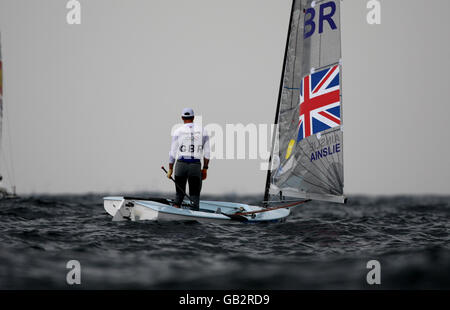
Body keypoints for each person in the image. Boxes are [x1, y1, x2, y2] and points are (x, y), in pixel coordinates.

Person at [167, 108, 210, 210]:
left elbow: (172, 153)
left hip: (180, 165)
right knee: (194, 196)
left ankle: (175, 212)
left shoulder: (178, 131)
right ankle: (194, 215)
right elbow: (207, 153)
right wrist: (205, 169)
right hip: (195, 166)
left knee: (179, 195)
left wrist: (170, 169)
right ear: (193, 117)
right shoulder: (203, 130)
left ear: (182, 117)